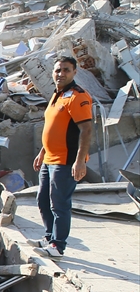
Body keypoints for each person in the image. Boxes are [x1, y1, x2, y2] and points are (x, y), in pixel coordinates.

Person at [33, 55, 93, 258]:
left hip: (66, 161)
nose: (61, 74)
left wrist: (79, 161)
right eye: (58, 70)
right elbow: (54, 127)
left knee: (59, 204)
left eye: (66, 70)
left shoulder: (78, 96)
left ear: (75, 72)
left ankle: (58, 246)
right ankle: (50, 237)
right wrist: (42, 151)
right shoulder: (58, 94)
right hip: (49, 158)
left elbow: (86, 130)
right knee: (42, 200)